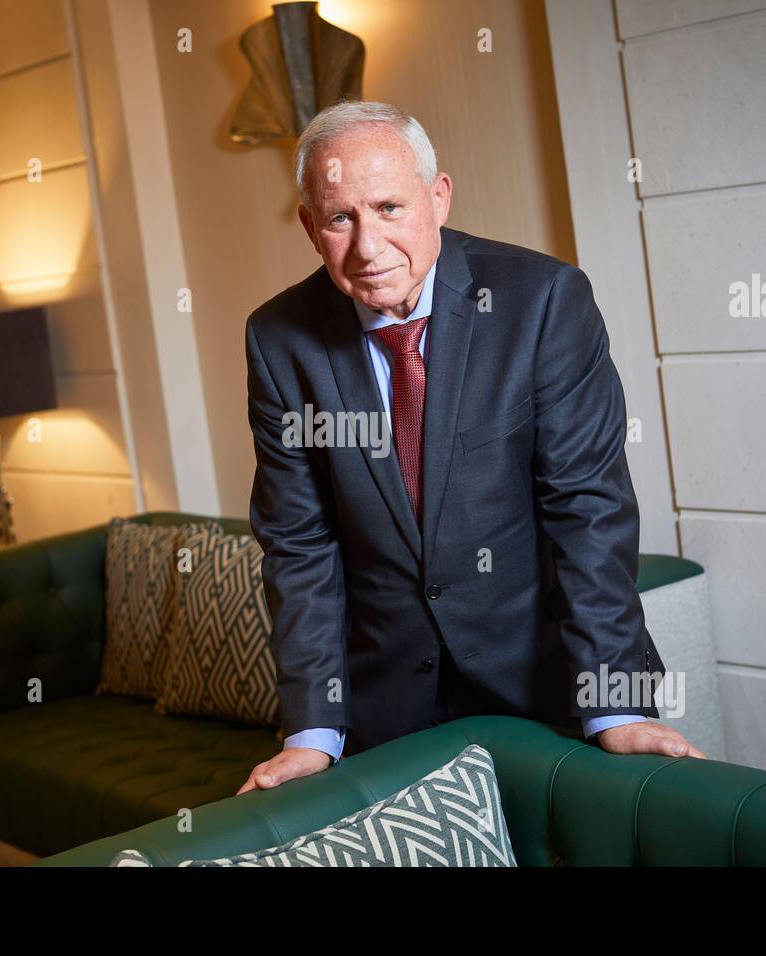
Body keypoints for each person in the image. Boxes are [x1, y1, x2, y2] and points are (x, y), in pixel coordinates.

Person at [238, 100, 704, 795]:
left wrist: (616, 704)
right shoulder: (279, 340)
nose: (367, 246)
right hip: (386, 712)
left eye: (390, 207)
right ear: (311, 225)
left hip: (550, 690)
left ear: (438, 197)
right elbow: (301, 544)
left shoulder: (542, 302)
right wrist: (312, 731)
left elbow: (588, 513)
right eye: (340, 218)